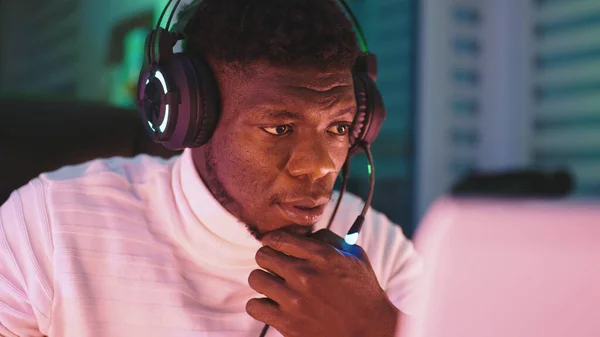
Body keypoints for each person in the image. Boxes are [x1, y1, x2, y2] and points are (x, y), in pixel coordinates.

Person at [0, 1, 421, 336]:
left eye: (339, 127)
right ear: (191, 117)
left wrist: (378, 330)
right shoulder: (49, 226)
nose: (320, 167)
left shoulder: (378, 252)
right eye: (280, 127)